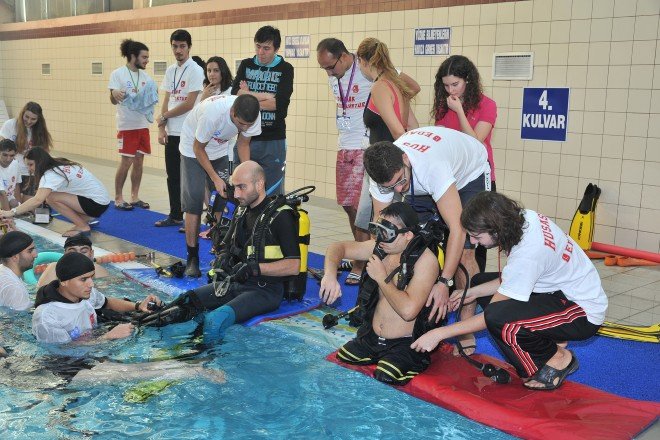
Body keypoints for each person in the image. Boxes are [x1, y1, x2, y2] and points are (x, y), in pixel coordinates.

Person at [412, 192, 608, 390]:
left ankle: (558, 357)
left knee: (498, 318)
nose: (473, 241)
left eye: (477, 236)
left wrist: (439, 333)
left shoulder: (528, 254)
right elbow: (512, 278)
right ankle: (552, 338)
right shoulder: (525, 218)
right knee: (479, 284)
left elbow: (489, 317)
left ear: (497, 229)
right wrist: (472, 292)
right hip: (559, 292)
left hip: (582, 313)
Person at [363, 126, 491, 355]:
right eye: (390, 188)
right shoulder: (382, 177)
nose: (398, 190)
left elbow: (458, 230)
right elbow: (383, 231)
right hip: (423, 179)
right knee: (407, 240)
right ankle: (411, 318)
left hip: (469, 174)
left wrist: (444, 282)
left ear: (405, 159)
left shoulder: (431, 166)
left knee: (466, 251)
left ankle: (465, 328)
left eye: (400, 182)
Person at [140, 161, 300, 344]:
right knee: (185, 302)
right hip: (236, 283)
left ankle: (202, 363)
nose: (237, 194)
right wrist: (223, 257)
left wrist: (255, 269)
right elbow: (226, 245)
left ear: (259, 184)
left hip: (265, 291)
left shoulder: (281, 216)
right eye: (235, 187)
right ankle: (141, 331)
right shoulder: (241, 211)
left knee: (215, 321)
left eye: (242, 187)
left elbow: (294, 266)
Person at [320, 202, 438, 385]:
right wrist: (329, 275)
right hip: (371, 338)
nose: (381, 238)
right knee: (341, 360)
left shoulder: (425, 261)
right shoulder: (381, 247)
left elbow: (409, 311)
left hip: (405, 343)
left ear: (407, 235)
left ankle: (411, 360)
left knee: (385, 376)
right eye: (378, 230)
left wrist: (382, 277)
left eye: (388, 233)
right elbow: (337, 247)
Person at [179, 94, 261, 277]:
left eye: (248, 125)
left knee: (222, 199)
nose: (245, 128)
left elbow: (243, 143)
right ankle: (192, 257)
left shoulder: (252, 115)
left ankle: (218, 252)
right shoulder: (213, 114)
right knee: (193, 202)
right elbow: (198, 148)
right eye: (240, 124)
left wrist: (247, 174)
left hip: (218, 150)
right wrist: (215, 177)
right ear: (232, 113)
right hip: (192, 148)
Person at [32, 252, 162, 344]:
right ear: (63, 281)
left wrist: (138, 306)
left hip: (94, 340)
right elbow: (61, 350)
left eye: (91, 277)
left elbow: (107, 303)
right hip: (65, 366)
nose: (91, 284)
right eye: (83, 279)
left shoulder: (85, 293)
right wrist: (108, 337)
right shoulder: (47, 316)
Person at [232, 25, 294, 195]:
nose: (261, 52)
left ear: (276, 49)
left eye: (266, 48)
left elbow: (279, 105)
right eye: (258, 46)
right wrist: (266, 96)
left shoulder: (285, 69)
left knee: (271, 191)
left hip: (273, 139)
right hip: (246, 138)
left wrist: (247, 95)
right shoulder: (246, 65)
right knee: (243, 190)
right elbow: (234, 97)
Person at [0, 147, 111, 237]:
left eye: (30, 165)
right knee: (50, 196)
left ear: (40, 162)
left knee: (50, 198)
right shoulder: (58, 163)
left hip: (96, 204)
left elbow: (37, 200)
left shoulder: (51, 174)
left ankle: (82, 226)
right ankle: (84, 219)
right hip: (101, 200)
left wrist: (11, 212)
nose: (29, 169)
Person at [155, 29, 205, 228]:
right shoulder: (170, 70)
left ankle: (192, 219)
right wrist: (161, 127)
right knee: (173, 176)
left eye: (182, 46)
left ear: (189, 47)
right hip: (172, 131)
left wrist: (164, 116)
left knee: (190, 179)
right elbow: (167, 99)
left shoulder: (195, 70)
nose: (178, 50)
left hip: (189, 132)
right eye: (175, 46)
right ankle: (175, 214)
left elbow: (190, 103)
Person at [433, 55, 497, 190]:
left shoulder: (487, 105)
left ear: (467, 79)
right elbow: (440, 140)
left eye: (455, 84)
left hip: (478, 173)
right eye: (446, 85)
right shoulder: (443, 105)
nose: (451, 90)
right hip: (453, 173)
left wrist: (459, 111)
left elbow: (475, 142)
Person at [108, 39, 157, 211]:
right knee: (126, 162)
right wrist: (114, 94)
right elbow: (113, 100)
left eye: (147, 57)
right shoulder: (118, 74)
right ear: (133, 56)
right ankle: (118, 197)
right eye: (144, 57)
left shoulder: (146, 77)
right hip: (126, 126)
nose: (146, 61)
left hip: (142, 125)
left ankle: (135, 197)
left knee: (139, 161)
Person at [0, 102, 53, 199]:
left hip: (30, 172)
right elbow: (2, 147)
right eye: (26, 117)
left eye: (33, 119)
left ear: (39, 119)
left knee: (28, 207)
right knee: (13, 203)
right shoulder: (10, 124)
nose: (29, 121)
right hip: (12, 170)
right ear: (22, 114)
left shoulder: (40, 131)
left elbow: (45, 153)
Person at [37, 233, 109, 288]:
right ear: (65, 254)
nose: (78, 255)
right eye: (72, 252)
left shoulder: (99, 272)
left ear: (91, 254)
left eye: (84, 251)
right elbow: (40, 294)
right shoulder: (53, 269)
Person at [0, 231, 36, 311]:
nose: (36, 255)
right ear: (15, 257)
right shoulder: (14, 288)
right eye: (30, 251)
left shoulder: (2, 270)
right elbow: (18, 321)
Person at [0, 139, 22, 210]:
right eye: (5, 155)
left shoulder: (15, 164)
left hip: (7, 196)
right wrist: (8, 217)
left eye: (11, 155)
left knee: (15, 203)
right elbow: (2, 194)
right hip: (2, 195)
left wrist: (19, 209)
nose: (8, 159)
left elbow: (17, 186)